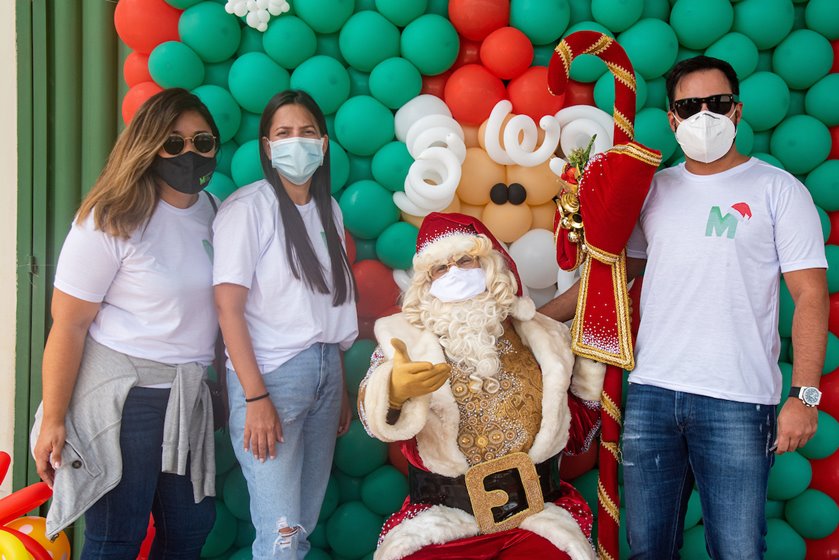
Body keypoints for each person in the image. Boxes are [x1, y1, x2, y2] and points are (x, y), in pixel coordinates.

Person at [540, 55, 829, 559]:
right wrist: (533, 319)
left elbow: (810, 294)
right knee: (648, 547)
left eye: (716, 104)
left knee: (738, 550)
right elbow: (611, 275)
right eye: (689, 106)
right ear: (672, 119)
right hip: (653, 392)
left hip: (738, 399)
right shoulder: (652, 190)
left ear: (736, 112)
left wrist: (805, 396)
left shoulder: (779, 191)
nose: (704, 116)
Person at [31, 88, 221, 557]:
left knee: (189, 530)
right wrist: (53, 418)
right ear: (147, 145)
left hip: (189, 398)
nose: (189, 153)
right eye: (173, 144)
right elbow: (68, 324)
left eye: (202, 141)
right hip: (127, 400)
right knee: (117, 535)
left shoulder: (217, 212)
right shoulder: (110, 217)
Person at [359, 212, 607, 560]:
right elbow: (372, 418)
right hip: (443, 516)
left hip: (535, 514)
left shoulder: (545, 338)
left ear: (490, 267)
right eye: (440, 269)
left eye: (464, 260)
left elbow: (578, 432)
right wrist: (393, 392)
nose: (454, 273)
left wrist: (590, 375)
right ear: (425, 285)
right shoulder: (403, 340)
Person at [212, 89, 357, 559]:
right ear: (267, 146)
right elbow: (227, 308)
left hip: (323, 372)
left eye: (307, 132)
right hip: (272, 377)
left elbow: (326, 305)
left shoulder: (328, 210)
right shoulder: (248, 208)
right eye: (284, 133)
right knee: (280, 535)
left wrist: (337, 383)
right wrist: (255, 398)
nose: (297, 142)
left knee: (302, 525)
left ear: (325, 143)